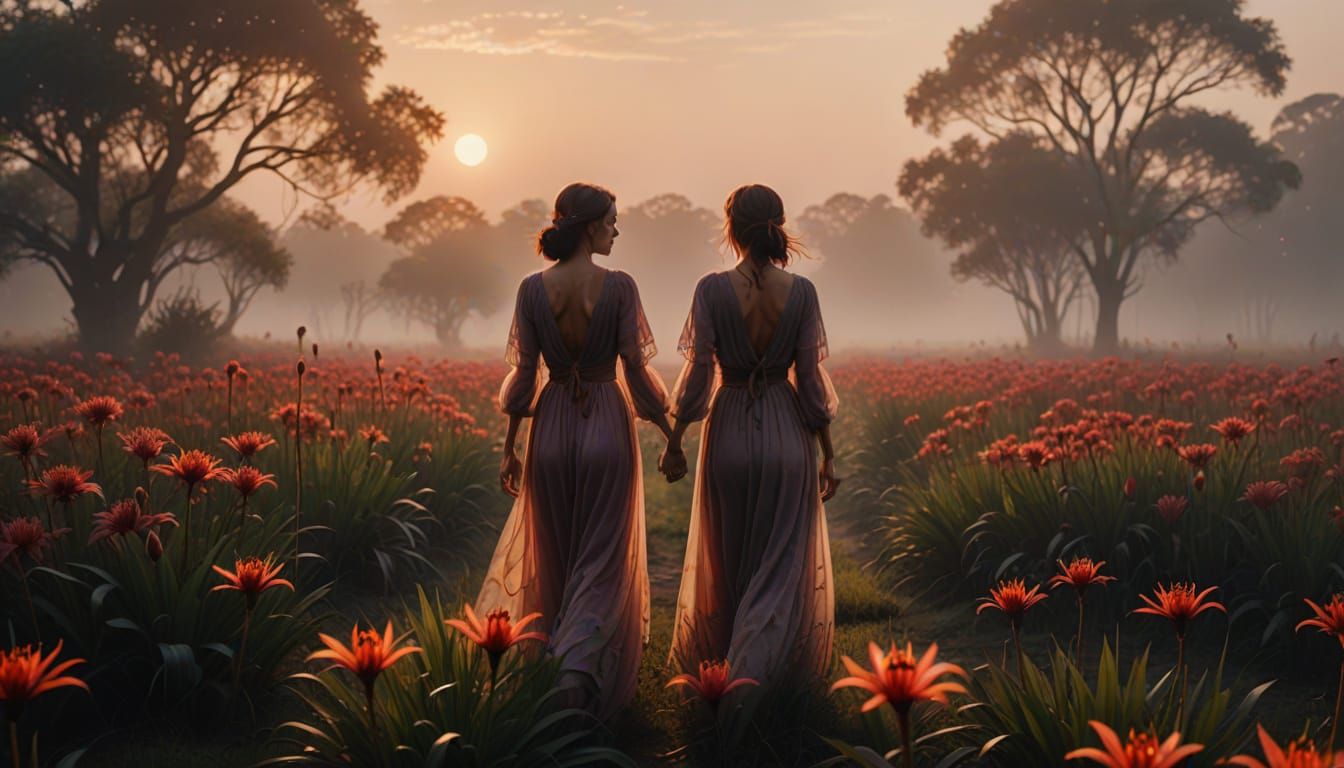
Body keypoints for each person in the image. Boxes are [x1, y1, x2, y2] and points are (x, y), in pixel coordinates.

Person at [478, 182, 673, 720]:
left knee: (555, 557)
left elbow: (524, 378)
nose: (616, 228)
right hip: (606, 423)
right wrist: (668, 433)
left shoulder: (532, 289)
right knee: (602, 560)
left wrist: (510, 448)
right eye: (612, 219)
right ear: (590, 226)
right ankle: (574, 675)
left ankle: (547, 674)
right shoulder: (620, 287)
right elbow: (634, 370)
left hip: (552, 425)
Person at [663, 183, 840, 699]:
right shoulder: (802, 293)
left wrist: (675, 439)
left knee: (731, 557)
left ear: (731, 228)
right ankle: (758, 679)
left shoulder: (711, 289)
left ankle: (726, 674)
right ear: (778, 224)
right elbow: (809, 384)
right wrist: (828, 453)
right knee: (780, 560)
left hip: (730, 427)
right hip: (786, 430)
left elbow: (697, 378)